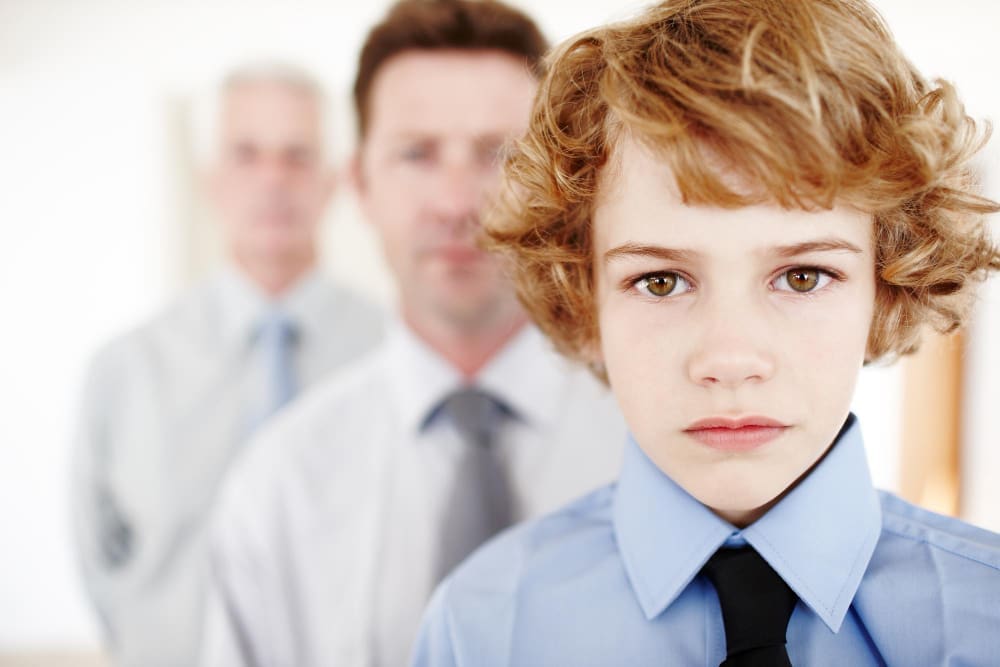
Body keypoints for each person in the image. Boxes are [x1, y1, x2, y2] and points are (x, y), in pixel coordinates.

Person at [410, 0, 1000, 664]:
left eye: (802, 277)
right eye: (662, 281)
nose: (730, 358)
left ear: (885, 290)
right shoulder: (482, 628)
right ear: (583, 298)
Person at [198, 2, 627, 666]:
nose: (457, 204)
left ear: (557, 184)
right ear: (359, 183)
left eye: (498, 153)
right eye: (416, 154)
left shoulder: (647, 446)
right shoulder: (278, 484)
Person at [71, 63, 384, 667]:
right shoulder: (125, 368)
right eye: (246, 154)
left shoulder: (391, 353)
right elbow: (99, 562)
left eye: (297, 156)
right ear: (209, 180)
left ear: (333, 182)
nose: (273, 180)